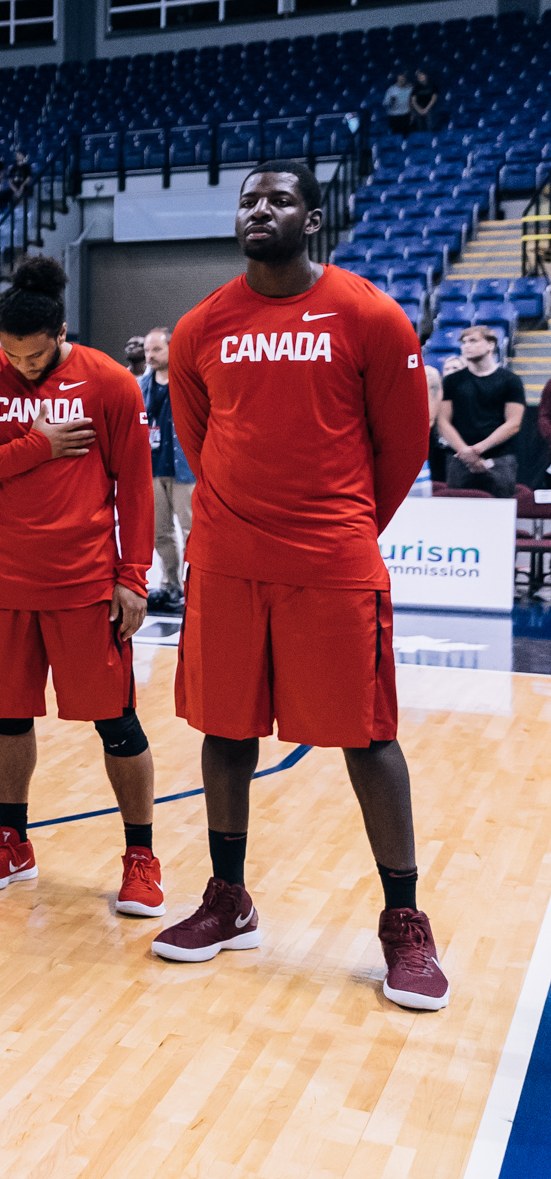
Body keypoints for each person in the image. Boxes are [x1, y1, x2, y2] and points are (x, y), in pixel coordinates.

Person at [154, 163, 448, 1011]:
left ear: (312, 219)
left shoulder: (368, 313)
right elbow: (199, 438)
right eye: (249, 199)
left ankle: (404, 922)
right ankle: (228, 898)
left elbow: (403, 444)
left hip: (331, 559)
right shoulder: (201, 325)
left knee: (368, 736)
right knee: (224, 727)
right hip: (227, 558)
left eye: (278, 199)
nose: (259, 209)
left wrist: (343, 524)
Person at [0, 258, 163, 912]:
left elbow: (135, 488)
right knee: (7, 718)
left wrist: (133, 576)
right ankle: (13, 843)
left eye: (34, 356)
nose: (22, 366)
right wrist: (35, 446)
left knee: (117, 724)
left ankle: (141, 858)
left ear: (61, 333)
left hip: (85, 583)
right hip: (1, 581)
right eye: (11, 354)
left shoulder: (109, 382)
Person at [137, 326, 193, 610]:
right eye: (147, 350)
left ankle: (195, 587)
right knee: (160, 533)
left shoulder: (188, 383)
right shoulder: (141, 386)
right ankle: (171, 585)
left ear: (172, 349)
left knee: (191, 531)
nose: (150, 355)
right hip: (153, 467)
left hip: (184, 469)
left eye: (157, 349)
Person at [436, 325, 524, 497]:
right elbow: (443, 421)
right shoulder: (452, 381)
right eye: (463, 342)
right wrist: (465, 452)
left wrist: (477, 450)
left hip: (499, 459)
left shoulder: (511, 380)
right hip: (459, 459)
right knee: (457, 510)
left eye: (473, 341)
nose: (466, 346)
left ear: (491, 345)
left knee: (500, 510)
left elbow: (514, 423)